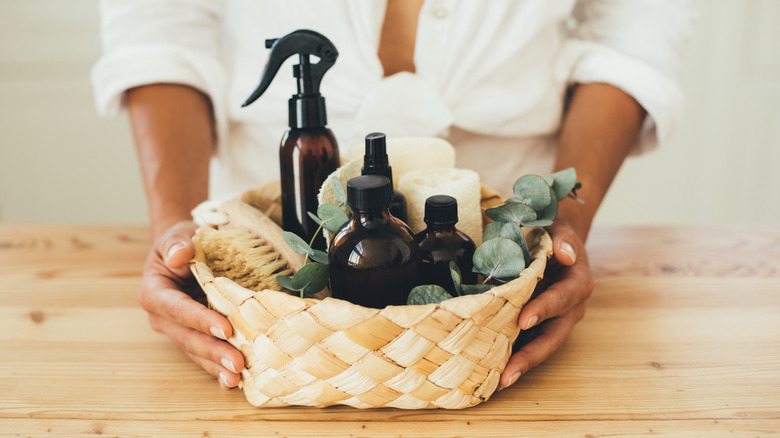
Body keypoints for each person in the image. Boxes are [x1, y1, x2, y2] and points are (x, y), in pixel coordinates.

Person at [92, 0, 694, 390]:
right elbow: (160, 20)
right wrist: (175, 224)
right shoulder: (306, 147)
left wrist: (561, 227)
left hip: (501, 276)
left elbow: (634, 25)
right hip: (268, 302)